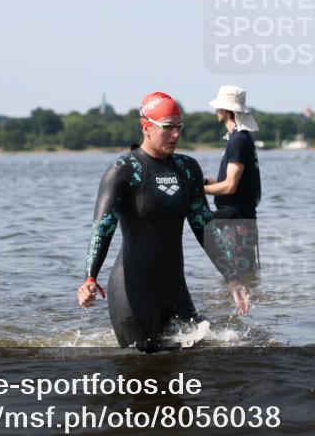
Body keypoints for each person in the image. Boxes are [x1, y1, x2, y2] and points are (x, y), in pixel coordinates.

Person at [77, 91, 249, 352]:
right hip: (131, 290)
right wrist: (90, 278)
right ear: (146, 127)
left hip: (174, 287)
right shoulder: (123, 170)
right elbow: (102, 228)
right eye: (167, 128)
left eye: (179, 127)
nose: (176, 135)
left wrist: (232, 277)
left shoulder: (187, 169)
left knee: (204, 354)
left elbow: (204, 225)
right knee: (144, 364)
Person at [204, 85, 262, 284]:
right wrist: (204, 182)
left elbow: (230, 186)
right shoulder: (240, 138)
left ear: (226, 111)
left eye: (218, 107)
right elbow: (229, 182)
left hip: (237, 223)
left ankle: (238, 313)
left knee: (237, 277)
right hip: (239, 220)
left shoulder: (238, 140)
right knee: (242, 275)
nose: (215, 111)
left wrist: (198, 190)